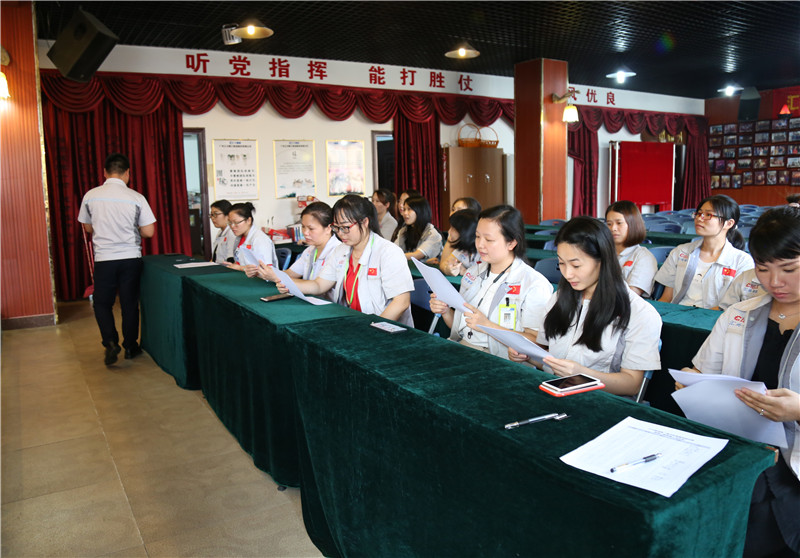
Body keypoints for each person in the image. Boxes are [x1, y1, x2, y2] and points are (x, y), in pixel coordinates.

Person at [680, 206, 800, 557]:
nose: (774, 282)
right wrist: (695, 383)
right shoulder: (739, 314)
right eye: (763, 268)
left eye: (789, 269)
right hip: (742, 449)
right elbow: (705, 371)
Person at [509, 217, 662, 396]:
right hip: (554, 391)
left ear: (603, 260)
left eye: (576, 265)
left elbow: (632, 385)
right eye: (561, 263)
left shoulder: (640, 313)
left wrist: (582, 374)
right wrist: (529, 356)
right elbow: (550, 358)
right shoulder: (559, 298)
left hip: (600, 400)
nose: (567, 274)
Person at [429, 205, 553, 359]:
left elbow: (538, 343)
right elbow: (461, 329)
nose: (480, 245)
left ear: (511, 243)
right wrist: (445, 311)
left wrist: (488, 326)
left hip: (498, 359)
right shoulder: (472, 273)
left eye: (489, 239)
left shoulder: (534, 284)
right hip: (461, 347)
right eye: (477, 236)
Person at [276, 194, 414, 325]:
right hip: (355, 323)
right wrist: (290, 284)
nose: (340, 233)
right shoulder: (341, 250)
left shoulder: (388, 252)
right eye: (337, 228)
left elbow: (401, 302)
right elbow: (319, 285)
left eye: (345, 227)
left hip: (385, 329)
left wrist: (375, 328)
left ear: (365, 222)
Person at [78, 153, 156, 365]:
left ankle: (110, 342)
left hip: (104, 258)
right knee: (129, 303)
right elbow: (149, 232)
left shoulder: (90, 196)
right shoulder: (136, 197)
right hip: (130, 257)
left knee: (102, 303)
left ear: (105, 172)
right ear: (128, 173)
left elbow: (87, 228)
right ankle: (130, 346)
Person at [655, 194, 754, 309]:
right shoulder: (681, 252)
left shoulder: (742, 261)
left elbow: (737, 307)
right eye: (698, 213)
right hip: (677, 314)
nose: (699, 218)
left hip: (716, 318)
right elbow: (667, 298)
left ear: (729, 223)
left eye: (708, 215)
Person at [256, 202, 340, 300]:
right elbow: (291, 273)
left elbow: (317, 286)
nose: (305, 233)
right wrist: (263, 273)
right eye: (303, 227)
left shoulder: (338, 251)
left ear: (328, 228)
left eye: (311, 228)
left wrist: (277, 278)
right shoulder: (310, 250)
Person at [605, 201, 657, 297]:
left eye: (619, 223)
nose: (613, 228)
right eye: (609, 224)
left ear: (633, 224)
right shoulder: (602, 252)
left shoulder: (643, 257)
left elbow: (631, 295)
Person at [227, 202, 279, 274]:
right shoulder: (240, 237)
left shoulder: (260, 239)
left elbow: (265, 270)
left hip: (260, 279)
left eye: (236, 222)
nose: (232, 226)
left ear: (249, 220)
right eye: (230, 223)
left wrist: (240, 268)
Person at [395, 195, 443, 261]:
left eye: (409, 209)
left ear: (420, 211)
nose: (405, 213)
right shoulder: (404, 230)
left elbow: (416, 255)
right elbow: (394, 249)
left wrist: (393, 256)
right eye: (404, 209)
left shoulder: (432, 234)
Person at [438, 209, 479, 276]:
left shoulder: (483, 252)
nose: (449, 231)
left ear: (465, 231)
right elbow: (444, 264)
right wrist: (448, 269)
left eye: (453, 228)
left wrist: (466, 272)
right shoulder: (462, 249)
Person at [210, 199, 236, 264]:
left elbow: (231, 260)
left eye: (215, 214)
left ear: (228, 215)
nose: (212, 218)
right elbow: (215, 258)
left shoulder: (232, 233)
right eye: (211, 215)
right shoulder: (220, 232)